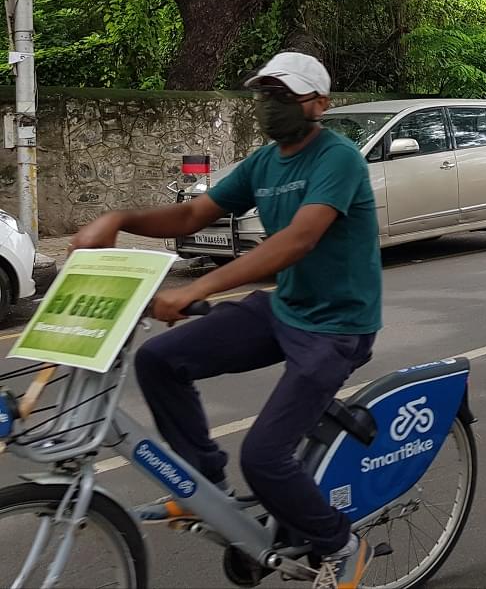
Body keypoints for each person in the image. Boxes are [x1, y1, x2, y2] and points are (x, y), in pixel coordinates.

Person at [69, 51, 380, 589]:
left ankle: (342, 545)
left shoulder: (339, 159)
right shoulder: (265, 162)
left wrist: (201, 286)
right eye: (265, 95)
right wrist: (118, 219)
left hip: (337, 327)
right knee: (160, 359)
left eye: (284, 95)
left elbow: (298, 239)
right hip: (286, 308)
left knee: (265, 457)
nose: (270, 106)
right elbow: (193, 214)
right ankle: (205, 490)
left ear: (319, 104)